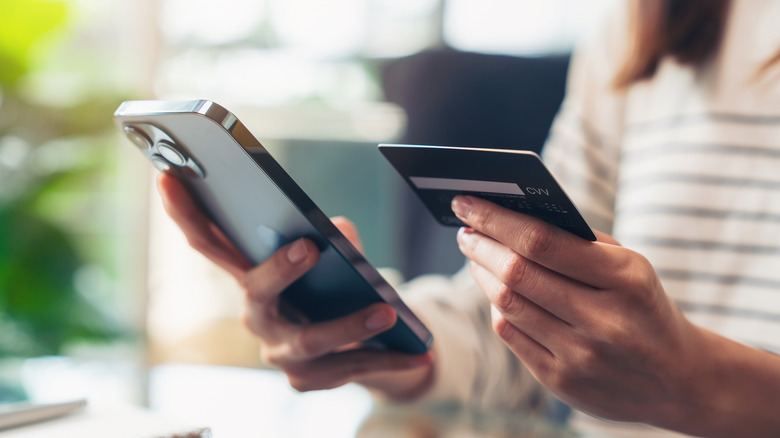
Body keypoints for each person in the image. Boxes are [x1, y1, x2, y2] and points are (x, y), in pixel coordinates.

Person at [156, 0, 780, 436]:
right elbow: (524, 352)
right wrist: (379, 334)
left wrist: (693, 383)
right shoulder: (649, 24)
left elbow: (655, 374)